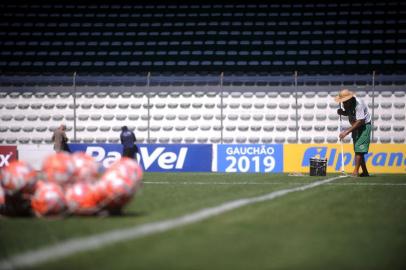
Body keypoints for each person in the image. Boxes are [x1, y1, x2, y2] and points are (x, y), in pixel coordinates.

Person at [335, 89, 371, 177]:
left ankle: (355, 172)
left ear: (350, 99)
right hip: (356, 127)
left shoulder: (358, 105)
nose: (343, 104)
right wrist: (343, 112)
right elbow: (350, 113)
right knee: (358, 149)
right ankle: (365, 172)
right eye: (342, 102)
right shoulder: (348, 104)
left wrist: (346, 131)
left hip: (364, 127)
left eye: (344, 102)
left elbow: (360, 121)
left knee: (359, 150)